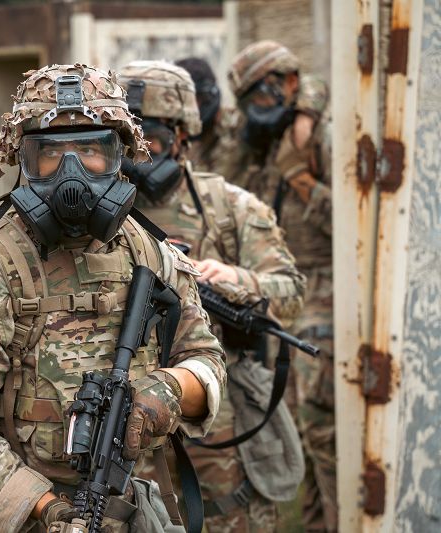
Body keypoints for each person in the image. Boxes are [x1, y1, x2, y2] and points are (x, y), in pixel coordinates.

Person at [0, 64, 226, 532]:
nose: (71, 173)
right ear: (24, 161)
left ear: (119, 155)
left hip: (141, 513)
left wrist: (169, 390)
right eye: (51, 153)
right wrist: (48, 510)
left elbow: (206, 359)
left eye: (90, 150)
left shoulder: (151, 255)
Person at [117, 60, 306, 532]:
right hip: (124, 419)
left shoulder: (229, 207)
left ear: (183, 135)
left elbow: (290, 294)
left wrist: (232, 279)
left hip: (218, 422)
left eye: (152, 138)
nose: (140, 154)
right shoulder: (99, 213)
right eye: (127, 140)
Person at [223, 41, 335, 532]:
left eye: (264, 92)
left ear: (289, 83)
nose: (257, 106)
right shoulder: (261, 145)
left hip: (323, 296)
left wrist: (300, 176)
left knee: (320, 431)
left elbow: (356, 223)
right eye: (248, 97)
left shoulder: (317, 140)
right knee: (296, 438)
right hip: (274, 299)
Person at [172, 57, 240, 176]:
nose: (193, 107)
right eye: (182, 99)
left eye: (197, 98)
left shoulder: (236, 130)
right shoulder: (172, 135)